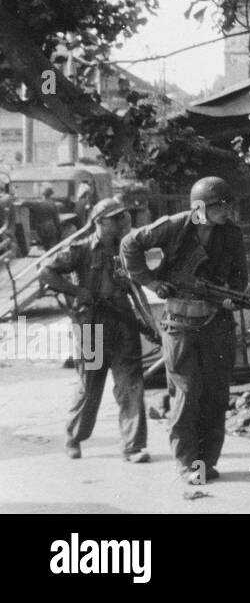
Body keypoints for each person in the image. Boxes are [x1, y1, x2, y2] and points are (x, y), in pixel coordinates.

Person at [121, 176, 247, 485]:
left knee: (217, 394)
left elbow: (240, 274)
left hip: (216, 322)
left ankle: (206, 463)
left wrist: (231, 297)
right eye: (222, 207)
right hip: (178, 324)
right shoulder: (175, 225)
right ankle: (187, 463)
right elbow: (129, 245)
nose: (228, 213)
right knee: (187, 393)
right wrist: (151, 283)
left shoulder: (230, 234)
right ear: (203, 206)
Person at [38, 197, 149, 463]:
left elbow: (138, 287)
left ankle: (133, 447)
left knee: (131, 384)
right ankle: (74, 438)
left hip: (122, 323)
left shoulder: (127, 248)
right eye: (114, 219)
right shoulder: (81, 250)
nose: (121, 222)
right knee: (90, 385)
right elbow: (46, 272)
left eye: (122, 217)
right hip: (92, 326)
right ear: (98, 222)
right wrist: (77, 291)